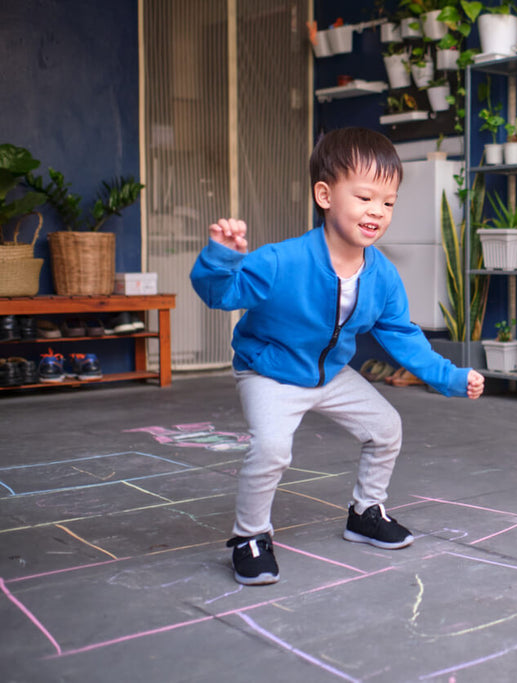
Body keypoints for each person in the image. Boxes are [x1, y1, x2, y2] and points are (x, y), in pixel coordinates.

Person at [190, 127, 485, 585]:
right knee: (271, 448)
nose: (377, 212)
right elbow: (220, 295)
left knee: (385, 428)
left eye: (388, 203)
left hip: (328, 372)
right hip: (270, 370)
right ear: (324, 195)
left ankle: (365, 513)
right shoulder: (280, 260)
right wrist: (221, 259)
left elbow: (403, 336)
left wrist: (448, 376)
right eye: (365, 197)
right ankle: (249, 537)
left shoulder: (381, 275)